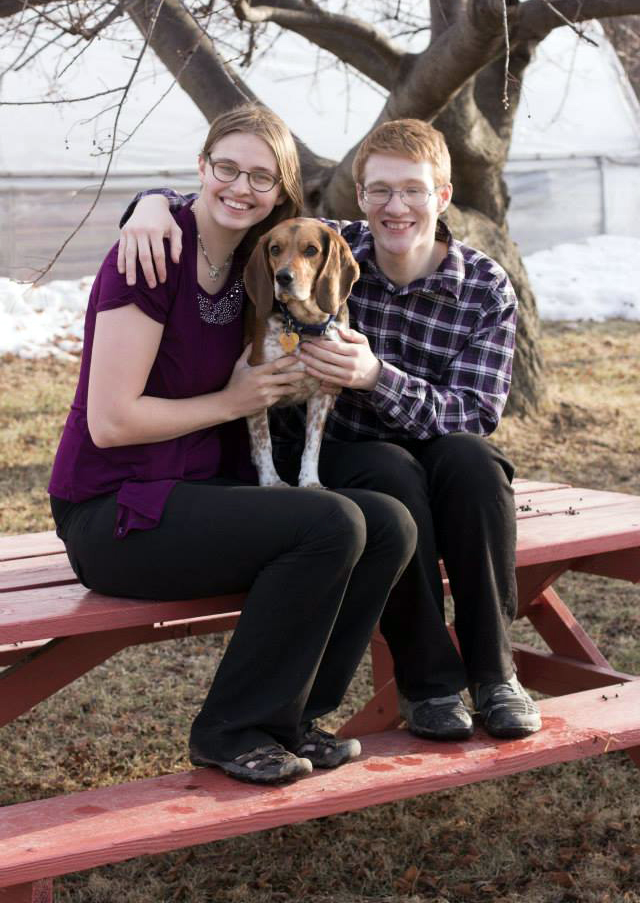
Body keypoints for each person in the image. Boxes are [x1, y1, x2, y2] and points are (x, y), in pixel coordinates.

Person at [117, 117, 542, 742]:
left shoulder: (483, 285)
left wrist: (377, 377)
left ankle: (496, 675)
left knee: (477, 468)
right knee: (391, 476)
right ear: (360, 197)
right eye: (378, 192)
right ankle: (430, 685)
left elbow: (477, 412)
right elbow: (235, 206)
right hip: (352, 448)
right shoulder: (328, 245)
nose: (395, 207)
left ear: (442, 196)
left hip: (441, 440)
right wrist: (148, 205)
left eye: (413, 190)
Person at [49, 104, 417, 786]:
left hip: (203, 493)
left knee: (390, 524)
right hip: (117, 510)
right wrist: (153, 206)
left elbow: (345, 248)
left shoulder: (260, 256)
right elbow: (110, 423)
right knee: (330, 522)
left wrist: (354, 355)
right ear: (201, 167)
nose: (241, 188)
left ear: (280, 193)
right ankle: (231, 729)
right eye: (227, 169)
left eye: (261, 177)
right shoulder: (148, 259)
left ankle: (298, 716)